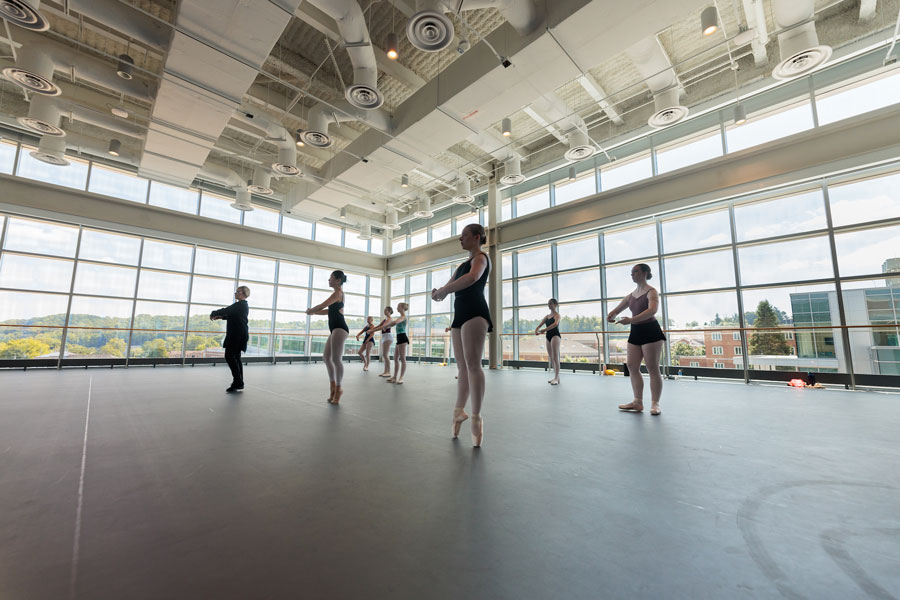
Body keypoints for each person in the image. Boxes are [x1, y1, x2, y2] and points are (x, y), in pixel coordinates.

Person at [432, 223, 492, 447]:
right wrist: (438, 293)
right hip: (460, 314)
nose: (460, 239)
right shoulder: (461, 266)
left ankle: (476, 417)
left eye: (464, 235)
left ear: (476, 237)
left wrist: (445, 290)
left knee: (473, 365)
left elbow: (473, 278)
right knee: (462, 367)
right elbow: (448, 288)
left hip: (475, 312)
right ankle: (459, 410)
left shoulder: (481, 258)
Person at [607, 263, 665, 416]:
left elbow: (652, 310)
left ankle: (655, 403)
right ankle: (638, 402)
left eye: (635, 271)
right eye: (631, 272)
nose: (632, 274)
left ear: (645, 272)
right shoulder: (631, 295)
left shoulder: (652, 292)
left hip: (650, 331)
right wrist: (611, 314)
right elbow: (618, 308)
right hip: (636, 332)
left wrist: (631, 320)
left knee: (652, 368)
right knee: (632, 367)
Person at [307, 270, 349, 405]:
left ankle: (338, 389)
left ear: (338, 280)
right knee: (326, 357)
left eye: (330, 278)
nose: (328, 280)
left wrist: (311, 310)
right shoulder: (337, 295)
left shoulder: (337, 293)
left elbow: (322, 305)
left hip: (340, 328)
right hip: (335, 329)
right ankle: (333, 387)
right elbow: (328, 311)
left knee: (336, 359)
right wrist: (315, 313)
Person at [210, 286, 250, 392]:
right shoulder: (242, 306)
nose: (235, 293)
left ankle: (238, 382)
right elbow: (233, 315)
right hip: (239, 334)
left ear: (243, 294)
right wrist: (221, 317)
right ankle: (238, 382)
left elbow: (227, 310)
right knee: (236, 358)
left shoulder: (240, 305)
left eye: (237, 292)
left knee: (230, 356)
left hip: (237, 335)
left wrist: (214, 313)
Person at [535, 298, 562, 385]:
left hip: (555, 336)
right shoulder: (547, 316)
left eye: (550, 303)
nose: (549, 305)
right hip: (548, 336)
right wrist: (537, 330)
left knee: (555, 357)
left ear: (555, 304)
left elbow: (555, 324)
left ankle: (556, 378)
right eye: (548, 303)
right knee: (550, 357)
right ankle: (556, 377)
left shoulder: (557, 315)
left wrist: (544, 330)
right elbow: (540, 325)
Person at [383, 303, 409, 384]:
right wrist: (387, 326)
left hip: (403, 338)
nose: (397, 307)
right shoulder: (400, 317)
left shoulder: (403, 317)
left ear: (402, 308)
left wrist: (386, 326)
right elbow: (394, 322)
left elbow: (395, 322)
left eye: (398, 306)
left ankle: (401, 377)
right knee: (395, 358)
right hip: (399, 338)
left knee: (403, 358)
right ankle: (394, 377)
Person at [369, 307, 394, 378]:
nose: (384, 311)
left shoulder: (389, 319)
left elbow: (382, 327)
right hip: (384, 337)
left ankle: (388, 372)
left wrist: (372, 331)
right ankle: (385, 371)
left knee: (385, 355)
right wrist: (372, 329)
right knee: (385, 355)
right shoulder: (385, 319)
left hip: (387, 337)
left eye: (385, 310)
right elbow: (379, 326)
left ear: (389, 311)